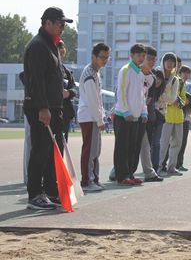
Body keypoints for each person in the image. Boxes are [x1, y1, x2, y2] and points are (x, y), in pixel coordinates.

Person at [23, 7, 73, 210]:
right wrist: (43, 107)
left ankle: (52, 191)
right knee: (41, 151)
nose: (63, 27)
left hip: (54, 106)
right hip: (41, 108)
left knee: (54, 151)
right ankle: (35, 194)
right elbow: (36, 80)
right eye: (60, 23)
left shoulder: (51, 45)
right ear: (48, 23)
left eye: (64, 24)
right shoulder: (38, 45)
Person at [77, 42, 110, 192]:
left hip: (93, 117)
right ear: (93, 57)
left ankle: (94, 179)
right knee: (90, 151)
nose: (105, 60)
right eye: (102, 57)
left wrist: (100, 117)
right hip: (89, 117)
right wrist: (99, 119)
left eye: (107, 57)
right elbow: (92, 100)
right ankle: (86, 181)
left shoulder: (95, 72)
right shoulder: (90, 74)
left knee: (95, 151)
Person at [113, 43, 148, 185]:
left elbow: (142, 95)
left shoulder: (140, 73)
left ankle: (131, 174)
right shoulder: (125, 70)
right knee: (123, 147)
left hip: (137, 117)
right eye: (139, 55)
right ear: (132, 55)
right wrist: (125, 111)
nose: (141, 58)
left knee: (134, 147)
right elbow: (121, 92)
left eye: (143, 56)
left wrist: (144, 112)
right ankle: (122, 176)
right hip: (124, 116)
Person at [136, 46, 163, 183]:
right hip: (128, 115)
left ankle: (149, 172)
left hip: (143, 116)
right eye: (149, 59)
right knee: (128, 146)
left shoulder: (152, 78)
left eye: (154, 59)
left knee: (145, 145)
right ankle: (117, 172)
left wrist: (148, 115)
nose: (152, 62)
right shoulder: (132, 73)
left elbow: (149, 100)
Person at [158, 52, 185, 177]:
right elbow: (159, 95)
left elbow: (183, 98)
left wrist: (180, 102)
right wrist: (171, 100)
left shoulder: (178, 81)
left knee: (177, 143)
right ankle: (158, 167)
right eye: (167, 61)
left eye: (173, 62)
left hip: (178, 117)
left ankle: (172, 167)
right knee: (163, 143)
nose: (170, 64)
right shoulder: (159, 76)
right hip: (165, 116)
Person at [57, 40, 77, 143]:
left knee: (62, 144)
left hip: (64, 114)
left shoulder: (67, 71)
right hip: (49, 112)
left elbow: (74, 89)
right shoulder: (43, 67)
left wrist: (68, 93)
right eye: (58, 47)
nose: (61, 49)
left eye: (62, 47)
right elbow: (24, 76)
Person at [177, 65, 191, 171]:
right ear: (180, 73)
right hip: (175, 116)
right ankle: (168, 164)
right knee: (174, 142)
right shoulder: (175, 82)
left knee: (183, 141)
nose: (186, 75)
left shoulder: (189, 85)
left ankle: (179, 163)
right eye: (184, 72)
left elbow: (190, 98)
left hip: (185, 116)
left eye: (188, 73)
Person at [177, 92, 191, 171]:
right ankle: (175, 164)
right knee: (177, 144)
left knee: (183, 144)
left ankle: (180, 164)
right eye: (186, 99)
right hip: (179, 124)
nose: (187, 101)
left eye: (189, 100)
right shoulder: (180, 106)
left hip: (185, 125)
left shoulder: (189, 108)